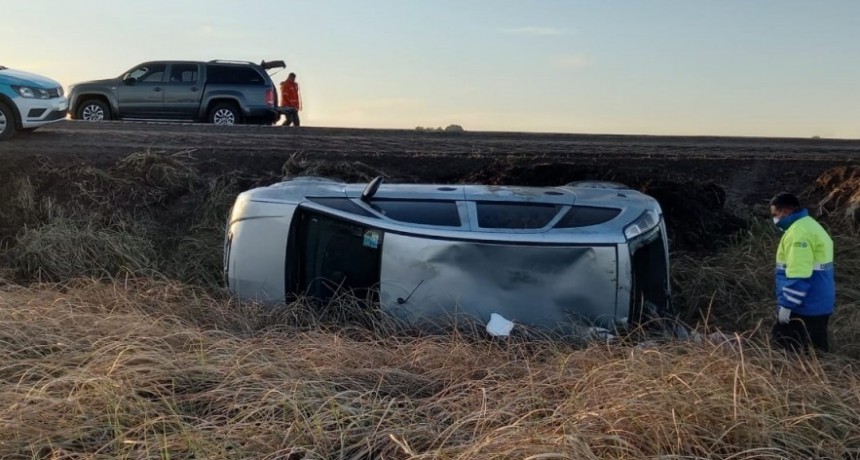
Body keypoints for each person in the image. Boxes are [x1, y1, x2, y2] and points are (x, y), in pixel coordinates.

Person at [769, 192, 835, 353]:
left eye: (775, 214)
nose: (774, 219)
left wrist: (787, 306)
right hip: (818, 301)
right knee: (815, 351)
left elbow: (799, 274)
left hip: (805, 305)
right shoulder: (809, 225)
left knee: (785, 350)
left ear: (785, 211)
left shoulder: (799, 234)